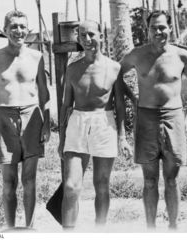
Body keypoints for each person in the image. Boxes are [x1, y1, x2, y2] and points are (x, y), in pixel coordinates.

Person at [120, 10, 187, 229]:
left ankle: (173, 228)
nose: (158, 31)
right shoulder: (137, 55)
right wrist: (132, 98)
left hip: (173, 117)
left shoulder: (181, 55)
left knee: (172, 179)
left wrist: (186, 118)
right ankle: (151, 230)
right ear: (147, 31)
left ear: (170, 28)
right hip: (146, 119)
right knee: (149, 180)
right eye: (154, 28)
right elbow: (115, 75)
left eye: (162, 27)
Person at [58, 20, 132, 230]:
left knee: (101, 185)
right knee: (71, 187)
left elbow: (120, 104)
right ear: (78, 39)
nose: (88, 40)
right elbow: (66, 106)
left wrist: (122, 137)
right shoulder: (72, 69)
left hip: (104, 123)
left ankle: (100, 231)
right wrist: (62, 139)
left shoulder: (114, 68)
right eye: (82, 36)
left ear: (101, 34)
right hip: (78, 123)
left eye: (91, 34)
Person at [0, 10, 50, 229]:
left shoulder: (37, 57)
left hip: (32, 117)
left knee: (29, 179)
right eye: (14, 27)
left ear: (28, 30)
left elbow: (44, 93)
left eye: (22, 26)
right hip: (3, 117)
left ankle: (29, 227)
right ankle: (10, 229)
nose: (19, 31)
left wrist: (46, 123)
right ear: (5, 30)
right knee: (9, 181)